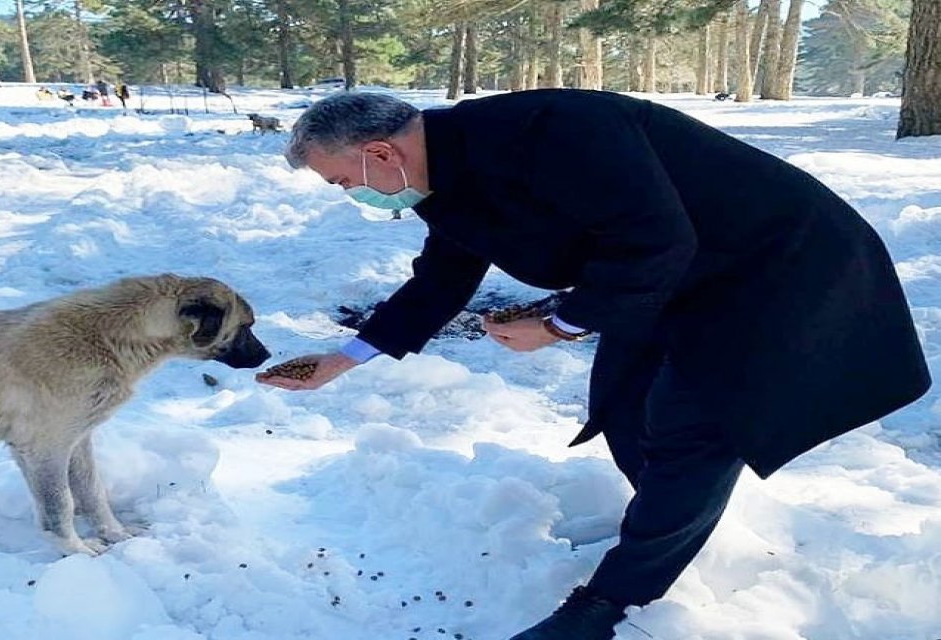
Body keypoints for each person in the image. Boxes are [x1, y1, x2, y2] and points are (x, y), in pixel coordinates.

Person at [257, 90, 930, 639]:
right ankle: (665, 522)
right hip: (670, 276)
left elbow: (654, 238)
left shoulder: (554, 131)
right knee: (624, 405)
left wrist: (557, 324)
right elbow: (442, 277)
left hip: (777, 268)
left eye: (344, 181)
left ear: (380, 152)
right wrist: (342, 361)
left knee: (694, 426)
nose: (351, 195)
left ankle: (608, 605)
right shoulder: (442, 175)